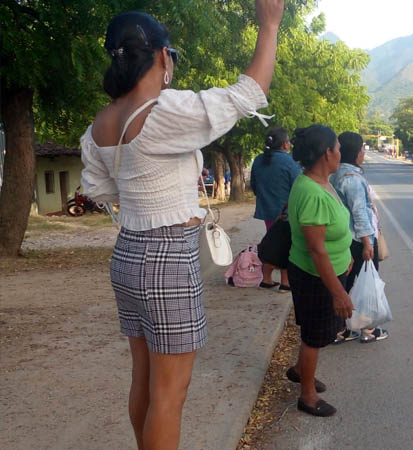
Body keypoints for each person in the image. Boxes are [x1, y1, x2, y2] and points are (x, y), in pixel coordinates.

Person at [79, 2, 284, 449]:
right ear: (161, 56)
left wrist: (143, 196)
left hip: (129, 253)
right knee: (171, 393)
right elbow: (248, 93)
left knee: (146, 381)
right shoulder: (163, 112)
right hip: (166, 258)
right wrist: (269, 25)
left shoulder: (102, 121)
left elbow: (99, 187)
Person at [286, 124, 354, 417]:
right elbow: (316, 250)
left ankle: (301, 371)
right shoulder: (312, 192)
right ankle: (307, 395)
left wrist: (347, 255)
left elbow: (332, 234)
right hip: (316, 278)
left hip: (328, 272)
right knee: (315, 335)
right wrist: (338, 292)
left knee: (319, 330)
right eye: (338, 148)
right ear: (327, 152)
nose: (340, 153)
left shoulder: (322, 182)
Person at [330, 131, 388, 343]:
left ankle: (339, 329)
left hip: (345, 239)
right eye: (362, 149)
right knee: (367, 283)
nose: (363, 153)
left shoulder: (335, 174)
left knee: (345, 283)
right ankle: (368, 330)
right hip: (358, 239)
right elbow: (359, 214)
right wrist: (367, 243)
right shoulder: (352, 179)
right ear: (355, 152)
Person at [250, 126, 302, 291]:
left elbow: (254, 186)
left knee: (272, 243)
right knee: (286, 245)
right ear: (285, 144)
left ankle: (266, 279)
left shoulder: (258, 160)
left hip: (267, 211)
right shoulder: (290, 162)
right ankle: (286, 282)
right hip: (286, 214)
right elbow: (299, 187)